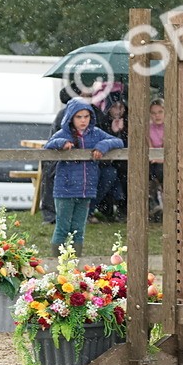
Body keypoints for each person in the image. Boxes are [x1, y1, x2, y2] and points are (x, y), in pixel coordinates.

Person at [44, 98, 124, 256]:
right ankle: (57, 262)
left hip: (87, 190)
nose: (83, 120)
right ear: (71, 118)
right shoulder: (63, 133)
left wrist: (103, 146)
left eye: (86, 116)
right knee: (63, 228)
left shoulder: (96, 133)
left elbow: (118, 141)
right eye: (79, 117)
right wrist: (62, 143)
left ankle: (75, 263)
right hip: (65, 190)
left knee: (78, 228)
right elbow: (48, 145)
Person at [146, 98, 165, 220]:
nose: (157, 115)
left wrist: (160, 159)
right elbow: (150, 146)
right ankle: (152, 205)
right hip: (151, 159)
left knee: (161, 171)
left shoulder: (171, 127)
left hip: (165, 160)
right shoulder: (148, 128)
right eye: (153, 113)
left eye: (160, 112)